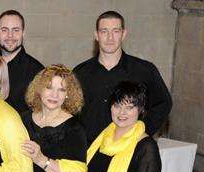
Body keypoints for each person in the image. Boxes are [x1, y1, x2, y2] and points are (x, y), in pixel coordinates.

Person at [74, 11, 173, 142]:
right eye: (104, 31)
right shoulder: (80, 72)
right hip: (88, 151)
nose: (110, 38)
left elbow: (163, 103)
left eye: (116, 31)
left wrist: (141, 132)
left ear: (123, 34)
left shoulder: (144, 70)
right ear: (96, 35)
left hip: (128, 150)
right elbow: (69, 111)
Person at [0, 10, 43, 114]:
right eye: (4, 30)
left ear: (23, 33)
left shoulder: (37, 71)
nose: (10, 35)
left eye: (16, 30)